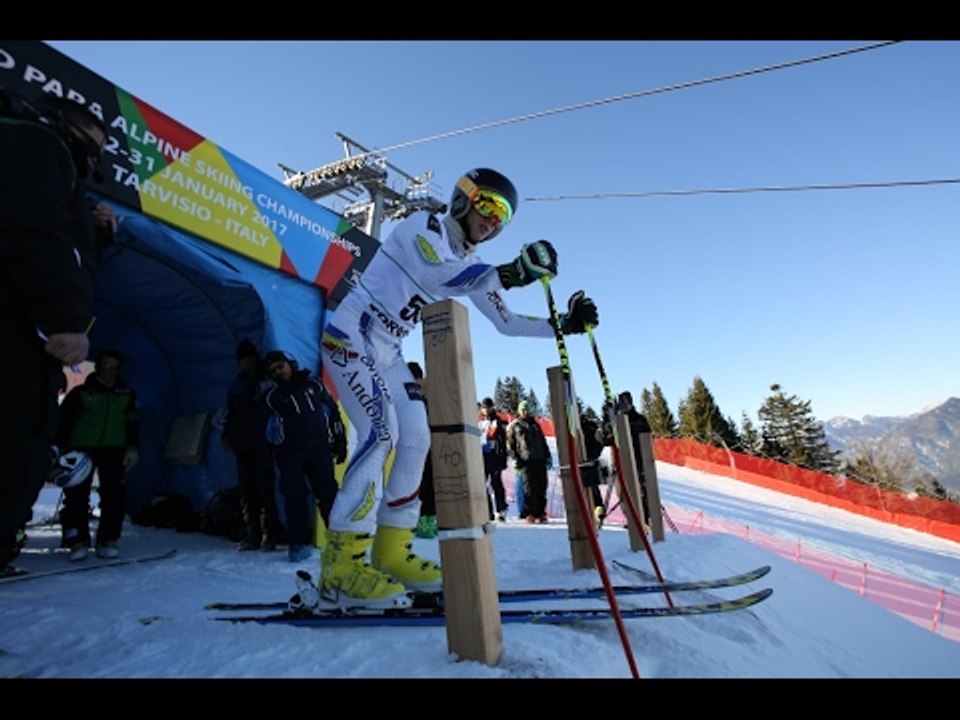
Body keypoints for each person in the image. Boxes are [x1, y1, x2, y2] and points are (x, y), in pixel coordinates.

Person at [319, 167, 599, 607]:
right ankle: (341, 565)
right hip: (352, 333)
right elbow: (437, 277)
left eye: (502, 215)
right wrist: (509, 273)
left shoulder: (471, 265)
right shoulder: (422, 226)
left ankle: (391, 552)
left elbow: (505, 323)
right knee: (379, 435)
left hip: (388, 349)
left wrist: (564, 326)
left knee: (415, 438)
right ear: (463, 200)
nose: (493, 220)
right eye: (488, 205)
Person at [0, 92, 110, 574]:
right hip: (17, 332)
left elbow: (69, 253)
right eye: (93, 146)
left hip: (28, 342)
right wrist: (65, 317)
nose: (95, 159)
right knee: (12, 449)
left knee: (22, 450)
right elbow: (34, 233)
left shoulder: (56, 167)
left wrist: (96, 236)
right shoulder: (35, 142)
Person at [262, 350, 346, 563]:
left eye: (280, 366)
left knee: (328, 494)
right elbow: (266, 430)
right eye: (273, 371)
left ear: (290, 363)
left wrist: (340, 440)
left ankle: (340, 541)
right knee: (295, 497)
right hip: (290, 454)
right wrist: (270, 453)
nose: (278, 372)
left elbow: (332, 411)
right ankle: (299, 544)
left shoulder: (314, 385)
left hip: (320, 449)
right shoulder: (273, 396)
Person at [57, 349, 140, 561]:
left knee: (113, 495)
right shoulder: (80, 393)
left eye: (114, 367)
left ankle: (108, 539)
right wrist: (62, 450)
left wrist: (132, 448)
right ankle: (76, 540)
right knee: (76, 496)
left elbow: (132, 424)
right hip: (81, 450)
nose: (109, 371)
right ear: (97, 367)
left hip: (114, 449)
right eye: (105, 366)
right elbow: (64, 422)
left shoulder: (126, 394)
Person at [221, 339, 284, 552]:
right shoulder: (237, 385)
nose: (247, 363)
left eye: (250, 358)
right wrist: (226, 435)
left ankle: (271, 535)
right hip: (242, 444)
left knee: (265, 490)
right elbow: (231, 413)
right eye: (243, 360)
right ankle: (252, 535)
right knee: (247, 492)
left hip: (263, 444)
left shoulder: (268, 381)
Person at [506, 400, 553, 524]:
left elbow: (542, 441)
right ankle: (529, 513)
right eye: (523, 410)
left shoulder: (535, 425)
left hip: (540, 459)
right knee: (529, 488)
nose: (525, 412)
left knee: (541, 486)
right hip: (525, 460)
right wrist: (515, 458)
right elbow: (510, 445)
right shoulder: (515, 426)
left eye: (527, 409)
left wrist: (547, 456)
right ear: (519, 411)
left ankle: (540, 512)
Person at [407, 362, 438, 540]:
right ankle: (428, 521)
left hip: (419, 446)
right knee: (427, 484)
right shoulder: (426, 397)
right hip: (427, 445)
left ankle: (424, 522)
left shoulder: (414, 397)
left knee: (422, 484)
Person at [618, 391, 653, 527]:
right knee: (626, 490)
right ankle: (632, 519)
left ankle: (644, 518)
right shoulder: (619, 420)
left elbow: (648, 438)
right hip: (624, 459)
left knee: (642, 490)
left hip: (640, 459)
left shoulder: (639, 420)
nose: (624, 407)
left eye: (625, 404)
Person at [579, 411, 613, 524]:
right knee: (592, 488)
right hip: (590, 459)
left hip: (586, 460)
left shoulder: (585, 428)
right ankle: (597, 509)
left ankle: (595, 510)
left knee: (589, 488)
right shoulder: (591, 427)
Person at [479, 397, 509, 522]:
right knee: (482, 484)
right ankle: (487, 511)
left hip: (495, 457)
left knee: (496, 483)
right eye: (484, 407)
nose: (486, 410)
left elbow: (502, 441)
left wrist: (503, 458)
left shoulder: (497, 421)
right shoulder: (479, 422)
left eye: (488, 407)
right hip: (482, 457)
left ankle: (501, 510)